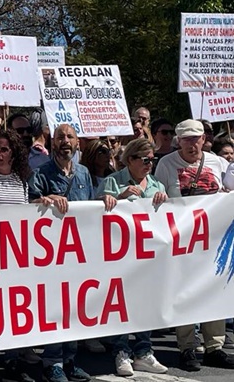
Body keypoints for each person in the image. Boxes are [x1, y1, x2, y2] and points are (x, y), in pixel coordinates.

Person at [154, 119, 234, 371]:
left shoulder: (218, 162)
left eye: (196, 138)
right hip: (182, 241)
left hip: (214, 242)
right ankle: (187, 346)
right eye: (186, 139)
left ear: (203, 139)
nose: (192, 143)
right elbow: (157, 196)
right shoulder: (166, 164)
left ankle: (214, 346)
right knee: (185, 292)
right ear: (178, 141)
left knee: (215, 290)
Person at [95, 138, 168, 375]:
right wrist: (118, 198)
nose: (150, 164)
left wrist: (165, 203)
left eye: (152, 159)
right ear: (130, 160)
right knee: (122, 304)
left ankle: (144, 351)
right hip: (119, 256)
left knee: (146, 302)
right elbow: (91, 214)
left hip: (148, 256)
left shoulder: (157, 184)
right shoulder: (112, 182)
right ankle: (121, 351)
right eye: (145, 160)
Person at [28, 124, 92, 382]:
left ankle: (69, 359)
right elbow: (28, 204)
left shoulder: (84, 173)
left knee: (75, 308)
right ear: (52, 143)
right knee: (56, 307)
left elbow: (91, 207)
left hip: (78, 253)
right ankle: (52, 361)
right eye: (60, 137)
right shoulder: (41, 172)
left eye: (70, 137)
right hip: (52, 255)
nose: (65, 141)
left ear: (78, 143)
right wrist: (46, 199)